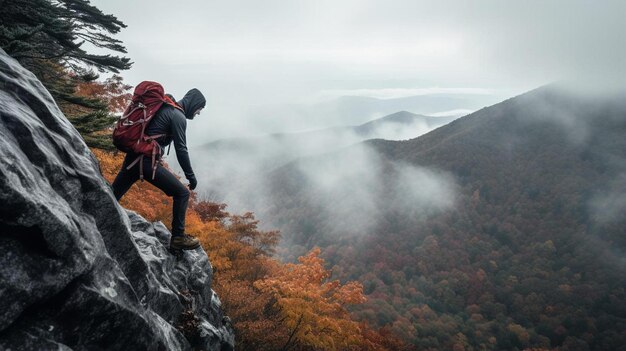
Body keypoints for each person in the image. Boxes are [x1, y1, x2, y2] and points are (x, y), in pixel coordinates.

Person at [112, 88, 206, 251]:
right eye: (199, 109)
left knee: (112, 196)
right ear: (194, 104)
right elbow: (181, 149)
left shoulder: (165, 107)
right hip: (145, 162)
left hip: (133, 157)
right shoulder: (178, 116)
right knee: (182, 193)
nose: (198, 113)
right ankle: (178, 238)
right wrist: (191, 176)